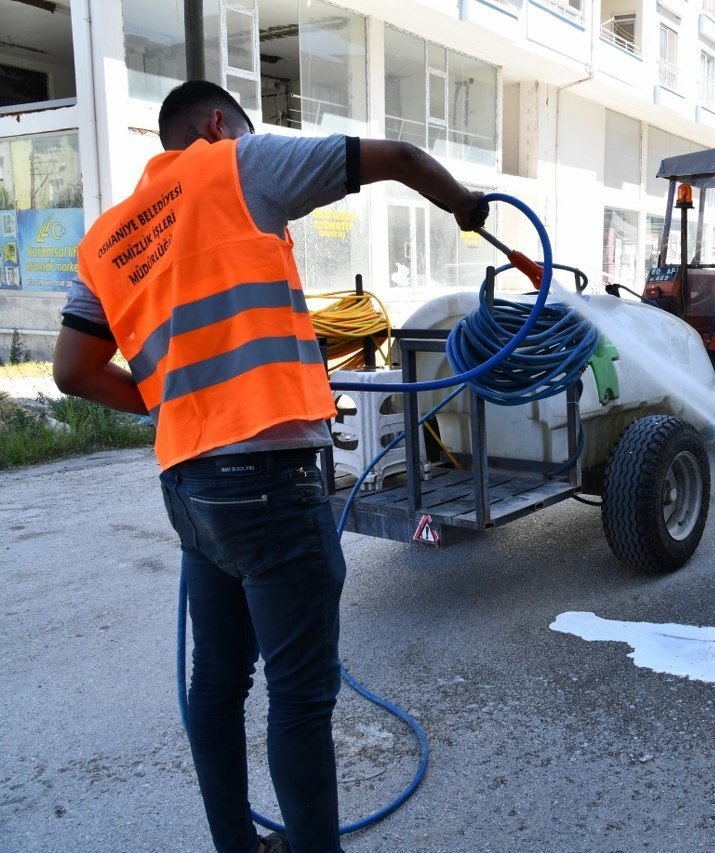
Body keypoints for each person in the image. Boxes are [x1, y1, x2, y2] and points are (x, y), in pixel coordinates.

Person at [52, 80, 488, 853]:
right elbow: (399, 156)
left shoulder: (107, 239)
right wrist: (465, 205)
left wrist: (168, 402)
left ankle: (238, 848)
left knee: (217, 688)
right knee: (298, 695)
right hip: (270, 482)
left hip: (189, 488)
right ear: (218, 124)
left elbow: (72, 371)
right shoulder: (237, 164)